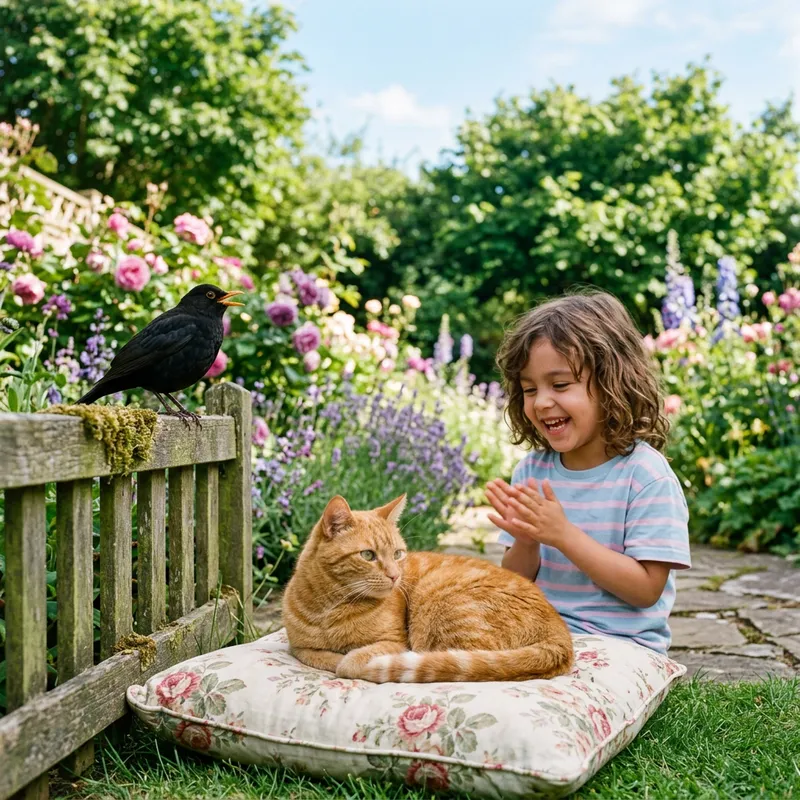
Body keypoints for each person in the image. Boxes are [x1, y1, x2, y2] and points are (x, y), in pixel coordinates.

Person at [486, 290, 691, 654]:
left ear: (613, 382)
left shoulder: (644, 475)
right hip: (540, 637)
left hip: (621, 648)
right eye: (529, 389)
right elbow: (516, 582)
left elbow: (645, 591)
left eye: (560, 384)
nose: (543, 401)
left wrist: (563, 535)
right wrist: (527, 541)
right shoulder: (532, 471)